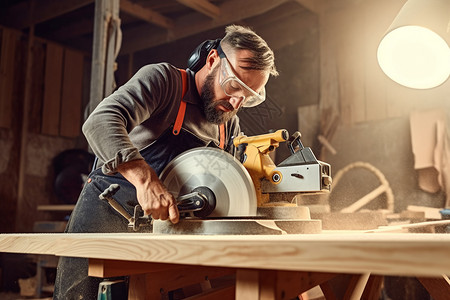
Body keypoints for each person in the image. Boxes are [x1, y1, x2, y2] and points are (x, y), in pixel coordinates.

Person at [53, 24, 278, 299]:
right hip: (108, 213)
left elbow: (237, 186)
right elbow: (100, 121)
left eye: (247, 98)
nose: (235, 102)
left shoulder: (228, 127)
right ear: (212, 61)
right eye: (233, 87)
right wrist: (145, 180)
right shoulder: (164, 82)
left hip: (169, 233)